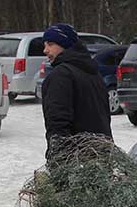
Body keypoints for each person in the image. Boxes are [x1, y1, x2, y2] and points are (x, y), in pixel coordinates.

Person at [39, 23, 113, 159]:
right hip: (102, 154)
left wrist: (60, 157)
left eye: (50, 44)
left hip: (77, 158)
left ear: (65, 44)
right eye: (45, 45)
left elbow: (58, 121)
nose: (45, 50)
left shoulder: (61, 75)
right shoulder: (93, 73)